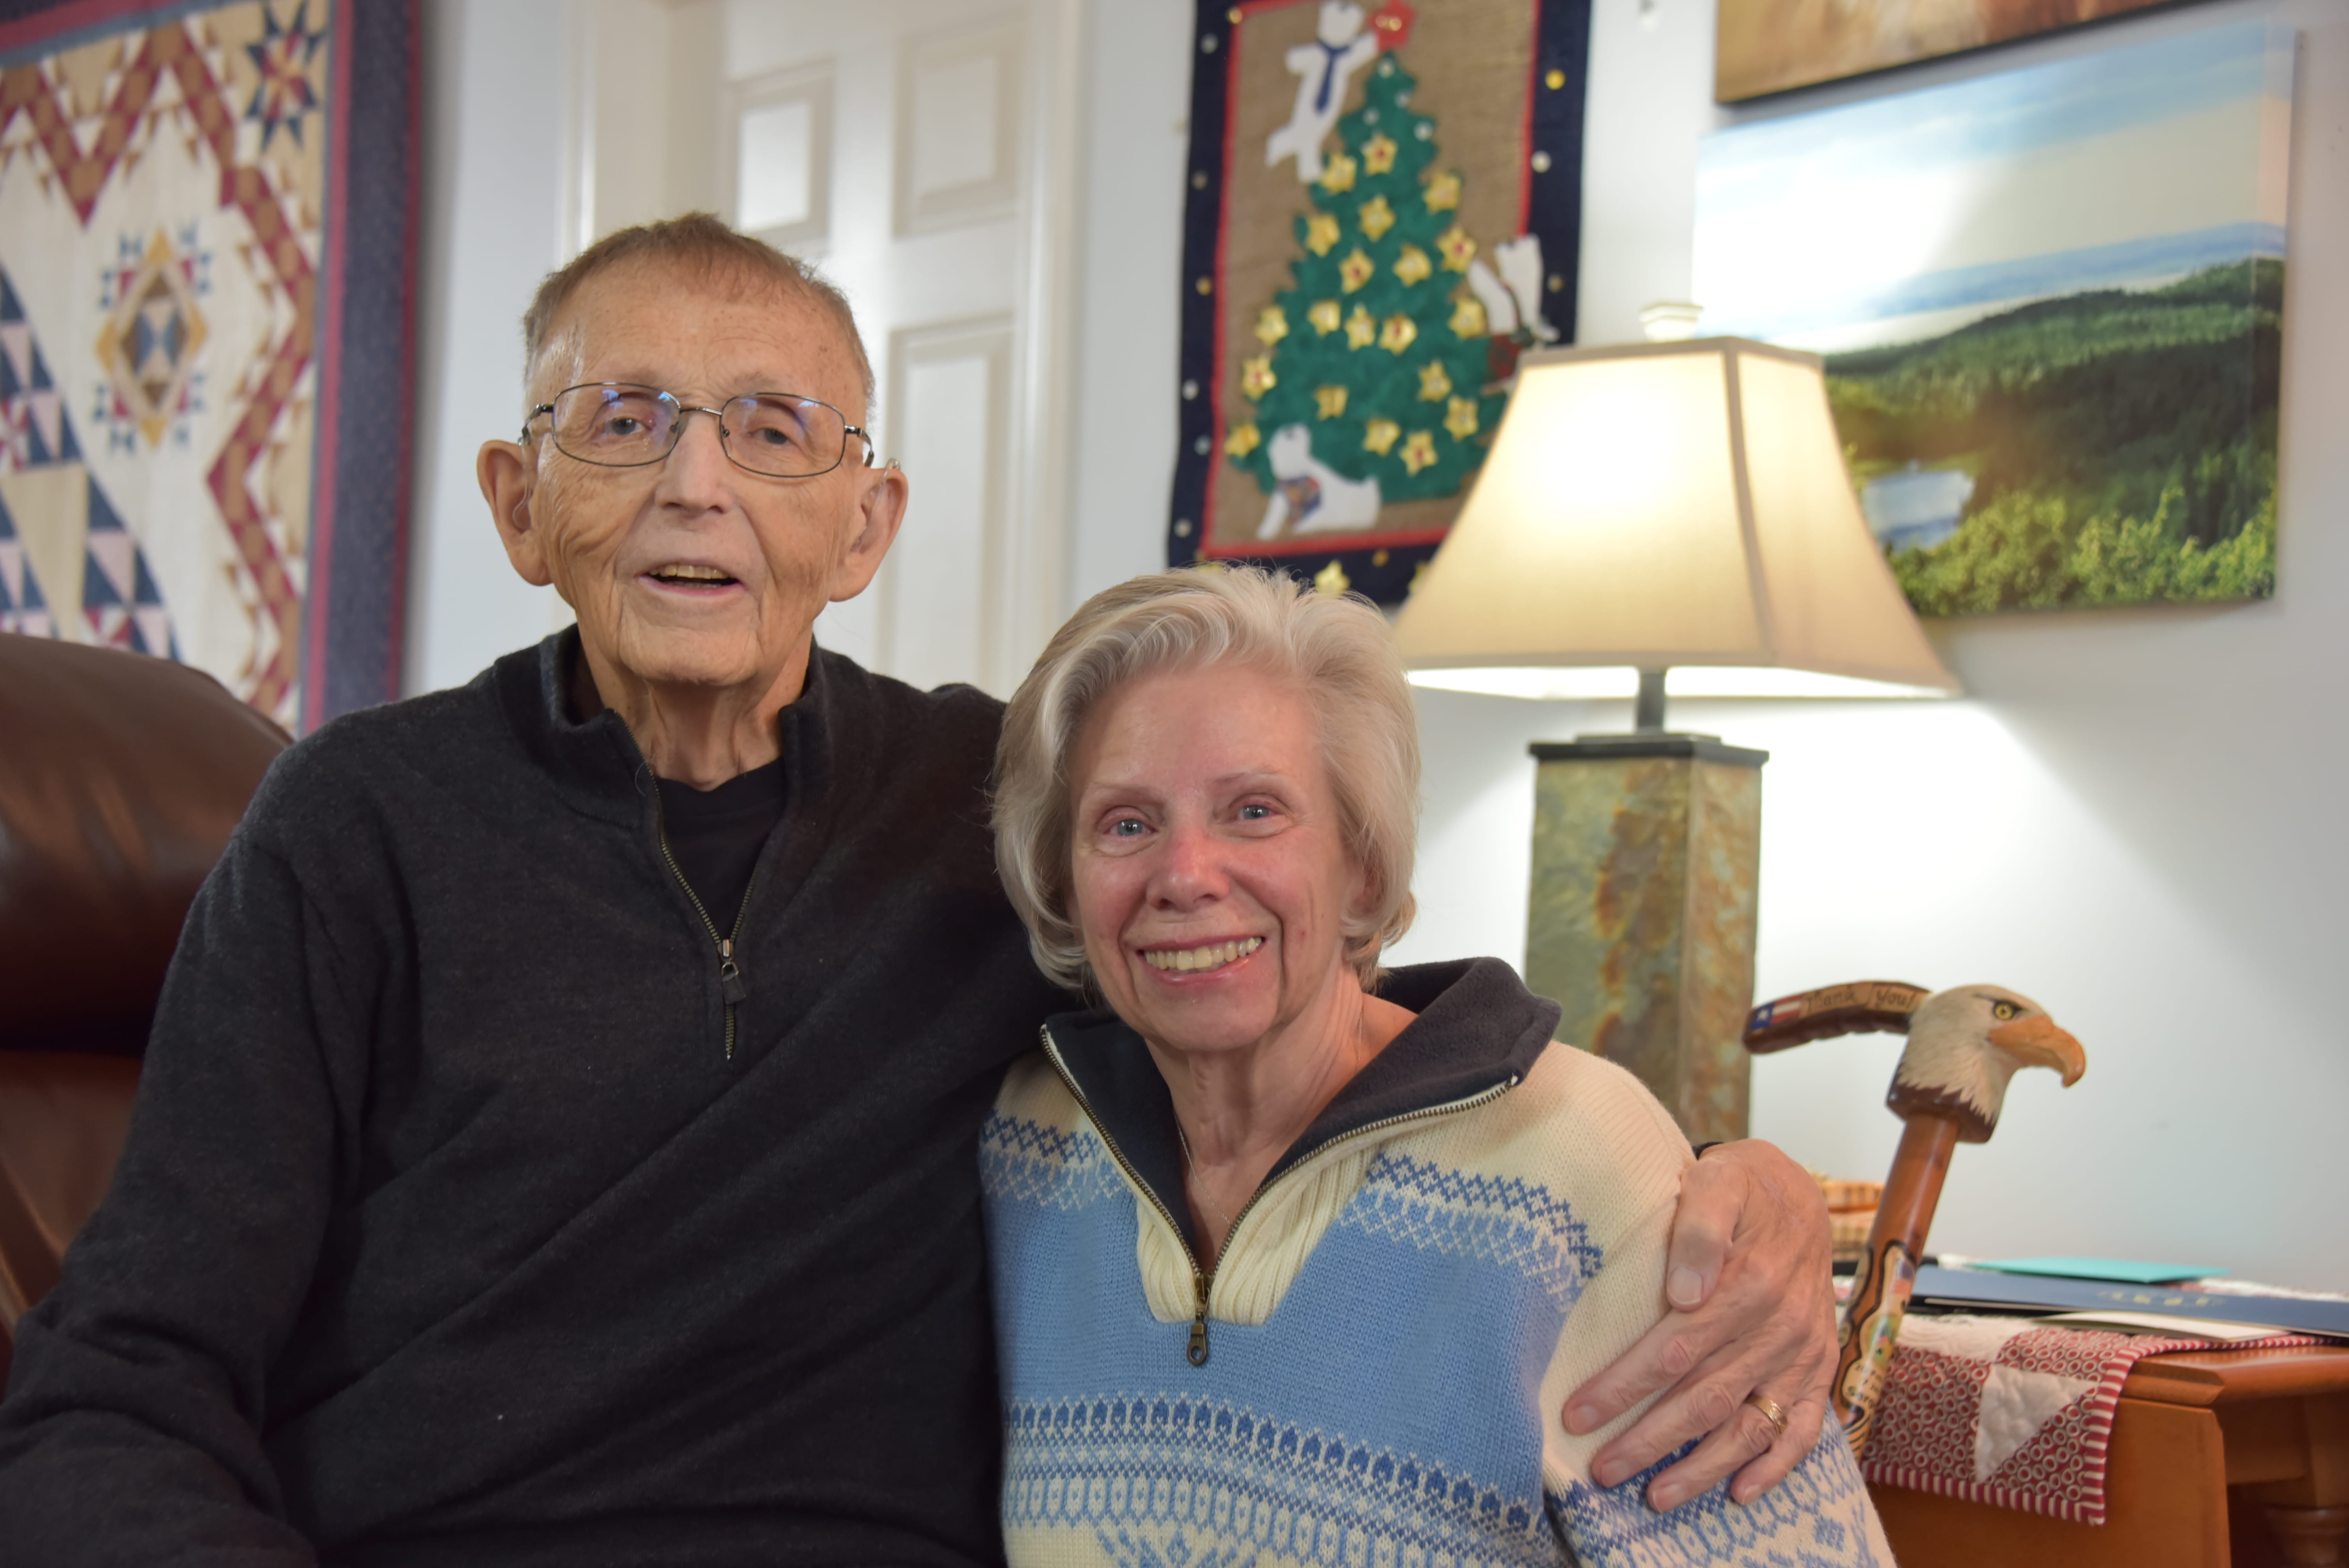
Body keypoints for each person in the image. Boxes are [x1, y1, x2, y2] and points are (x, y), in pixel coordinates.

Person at [0, 216, 1832, 1566]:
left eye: (773, 431)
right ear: (518, 497)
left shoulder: (986, 805)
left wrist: (1723, 1187)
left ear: (861, 525)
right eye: (624, 420)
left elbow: (1269, 966)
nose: (695, 484)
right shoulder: (353, 825)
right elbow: (119, 1372)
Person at [982, 566, 1889, 1565]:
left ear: (1361, 863)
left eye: (1253, 811)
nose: (1186, 875)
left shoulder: (1578, 1166)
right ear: (1061, 878)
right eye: (1126, 823)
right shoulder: (1022, 1147)